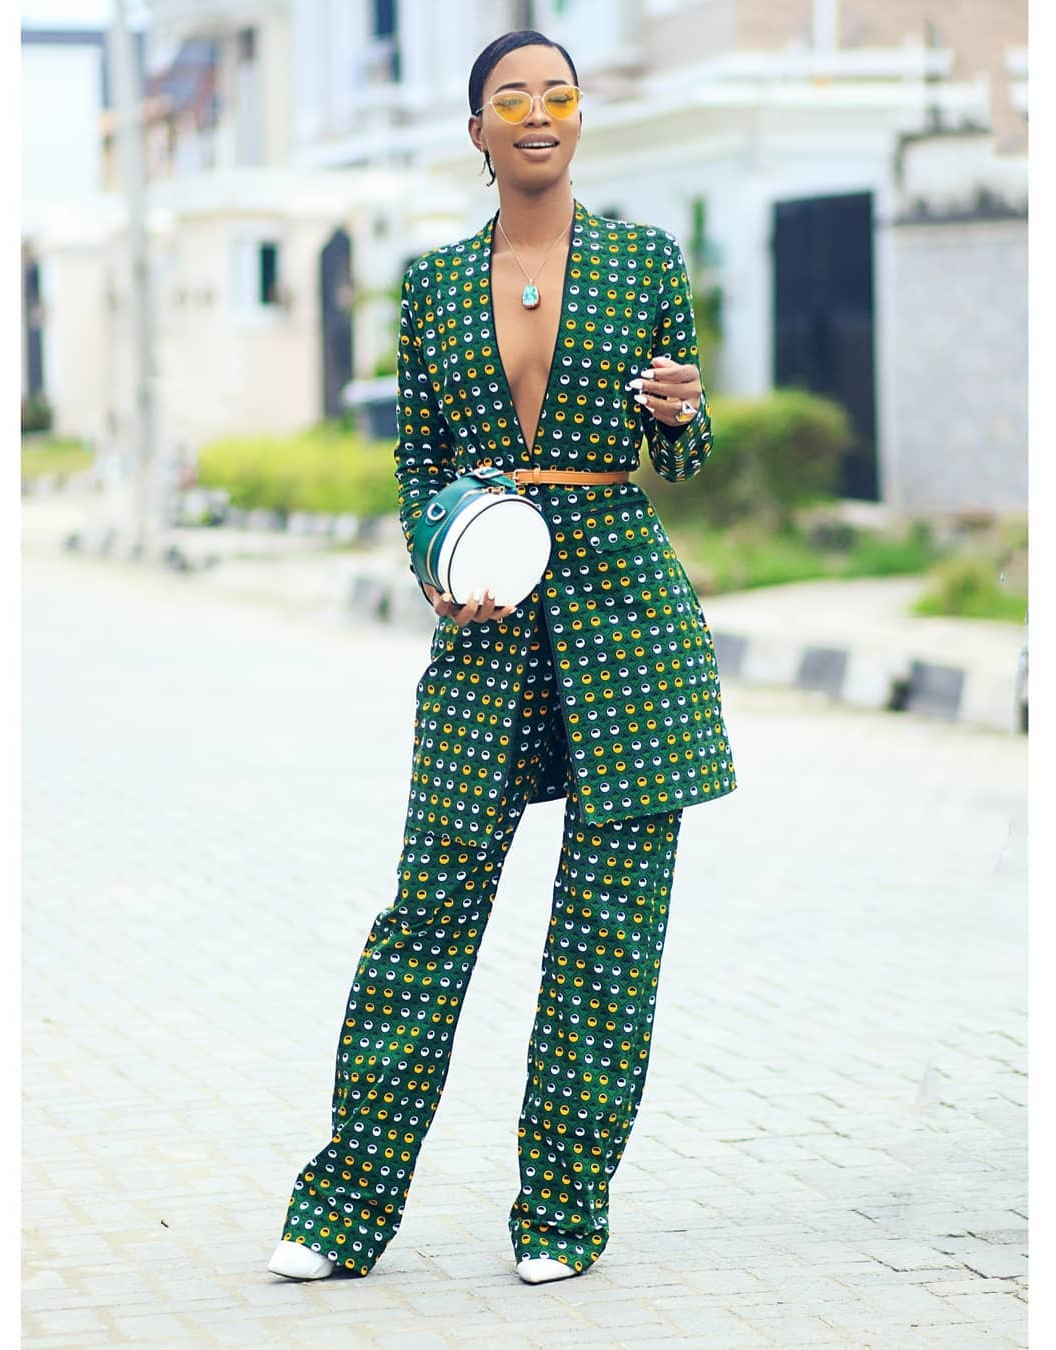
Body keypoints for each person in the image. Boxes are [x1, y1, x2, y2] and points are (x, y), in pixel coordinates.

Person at [267, 28, 736, 1287]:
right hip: (488, 623)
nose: (539, 115)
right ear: (476, 130)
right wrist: (436, 571)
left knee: (606, 936)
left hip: (628, 628)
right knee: (428, 909)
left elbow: (683, 456)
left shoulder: (644, 260)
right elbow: (420, 467)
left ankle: (562, 1213)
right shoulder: (430, 285)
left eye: (559, 96)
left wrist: (683, 413)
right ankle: (345, 1204)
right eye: (512, 99)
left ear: (579, 119)